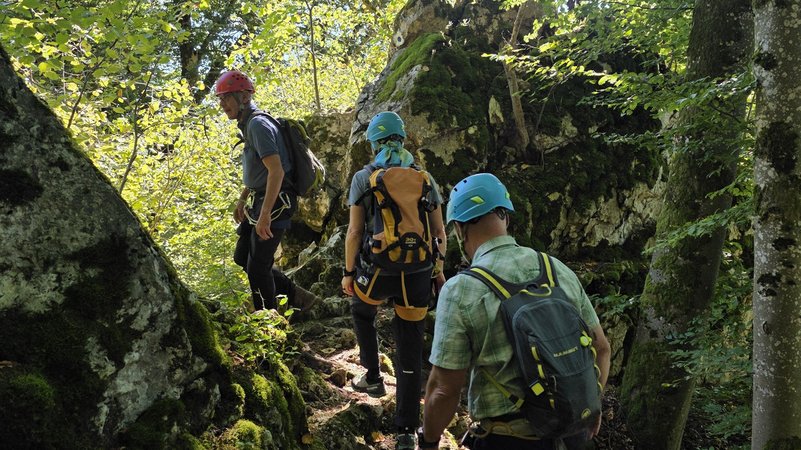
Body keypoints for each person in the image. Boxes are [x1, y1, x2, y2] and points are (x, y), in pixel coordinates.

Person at [418, 173, 611, 450]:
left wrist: (429, 441)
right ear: (506, 217)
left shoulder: (461, 290)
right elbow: (601, 348)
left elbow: (444, 389)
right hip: (573, 436)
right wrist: (590, 405)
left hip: (507, 440)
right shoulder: (556, 269)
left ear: (459, 230)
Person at [340, 111, 447, 450]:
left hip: (379, 269)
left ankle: (372, 377)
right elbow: (440, 232)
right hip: (416, 272)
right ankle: (406, 430)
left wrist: (347, 272)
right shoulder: (426, 179)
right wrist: (438, 270)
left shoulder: (364, 177)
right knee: (411, 346)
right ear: (402, 140)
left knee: (361, 310)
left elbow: (355, 231)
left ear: (374, 142)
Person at [215, 70, 317, 313]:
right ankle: (296, 295)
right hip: (259, 201)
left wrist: (266, 214)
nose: (222, 105)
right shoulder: (248, 124)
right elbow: (258, 170)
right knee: (243, 257)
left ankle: (268, 324)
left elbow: (276, 171)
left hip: (275, 203)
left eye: (227, 98)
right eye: (220, 99)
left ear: (245, 98)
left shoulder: (258, 125)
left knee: (257, 268)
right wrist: (241, 201)